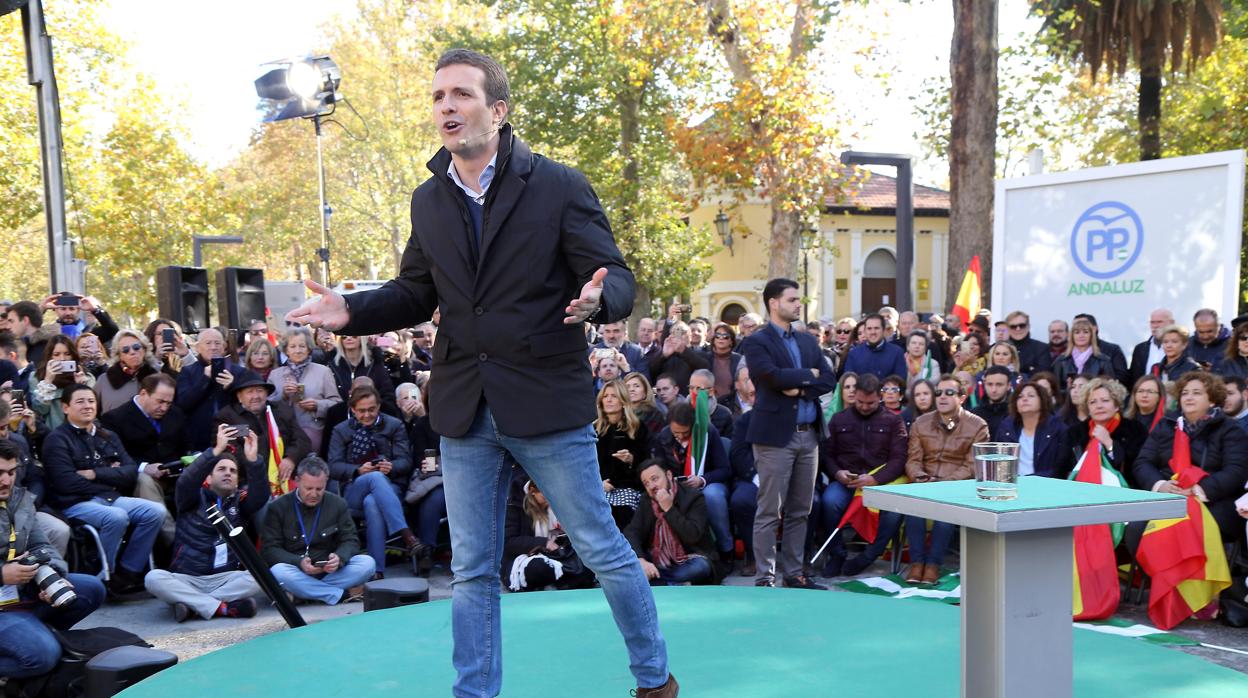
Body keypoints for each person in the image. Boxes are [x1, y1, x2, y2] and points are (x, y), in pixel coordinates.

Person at [283, 49, 675, 697]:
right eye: (438, 96)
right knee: (470, 570)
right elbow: (415, 292)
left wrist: (596, 300)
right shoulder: (429, 199)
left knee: (603, 550)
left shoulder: (559, 186)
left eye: (461, 94)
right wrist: (351, 310)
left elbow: (619, 279)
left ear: (498, 110)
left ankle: (654, 679)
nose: (446, 106)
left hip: (546, 402)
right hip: (465, 409)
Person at [739, 278, 835, 590]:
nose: (798, 304)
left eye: (798, 299)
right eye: (792, 299)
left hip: (809, 436)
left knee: (800, 511)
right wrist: (809, 376)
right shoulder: (757, 341)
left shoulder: (807, 341)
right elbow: (770, 377)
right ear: (773, 303)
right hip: (774, 438)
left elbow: (829, 379)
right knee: (770, 511)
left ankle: (794, 574)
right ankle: (765, 578)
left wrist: (798, 386)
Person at [41, 384, 164, 594]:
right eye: (80, 401)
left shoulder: (108, 436)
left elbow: (130, 472)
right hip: (75, 503)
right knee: (116, 517)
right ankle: (101, 573)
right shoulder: (56, 439)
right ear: (65, 407)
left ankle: (128, 572)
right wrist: (111, 477)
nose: (87, 406)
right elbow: (65, 482)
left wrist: (96, 473)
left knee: (155, 511)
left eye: (91, 401)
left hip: (110, 498)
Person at [0, 440, 106, 679]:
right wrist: (2, 574)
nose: (6, 480)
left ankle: (28, 635)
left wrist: (50, 576)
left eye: (11, 472)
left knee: (91, 589)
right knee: (43, 656)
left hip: (18, 595)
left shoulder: (19, 498)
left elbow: (42, 546)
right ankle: (29, 643)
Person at [144, 424, 267, 621]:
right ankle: (223, 607)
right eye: (221, 469)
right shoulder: (190, 498)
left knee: (260, 576)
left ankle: (194, 606)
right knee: (153, 578)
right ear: (208, 477)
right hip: (187, 578)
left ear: (237, 481)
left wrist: (253, 460)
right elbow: (186, 481)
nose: (228, 473)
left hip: (226, 578)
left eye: (233, 471)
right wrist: (215, 451)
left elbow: (260, 496)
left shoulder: (240, 501)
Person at [1134, 372, 1248, 543]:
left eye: (1197, 393)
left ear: (1212, 400)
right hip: (1169, 498)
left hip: (1213, 501)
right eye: (1185, 393)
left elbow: (1236, 470)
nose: (1189, 397)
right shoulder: (1166, 425)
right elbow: (1142, 463)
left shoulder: (1229, 429)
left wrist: (1198, 489)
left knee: (1182, 527)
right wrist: (1161, 485)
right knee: (1135, 528)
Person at [327, 384, 426, 574]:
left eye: (371, 409)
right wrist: (357, 470)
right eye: (361, 411)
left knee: (372, 502)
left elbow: (406, 461)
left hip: (390, 486)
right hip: (353, 488)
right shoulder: (341, 430)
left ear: (379, 406)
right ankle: (407, 535)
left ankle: (376, 570)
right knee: (374, 477)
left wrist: (392, 466)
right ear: (353, 409)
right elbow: (333, 466)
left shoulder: (394, 425)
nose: (367, 415)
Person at [818, 374, 907, 577]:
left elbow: (899, 459)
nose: (865, 407)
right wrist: (837, 473)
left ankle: (869, 556)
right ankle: (837, 554)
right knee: (829, 502)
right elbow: (827, 454)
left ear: (880, 397)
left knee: (893, 511)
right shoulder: (839, 419)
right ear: (854, 395)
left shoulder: (894, 421)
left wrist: (876, 479)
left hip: (880, 482)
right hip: (846, 482)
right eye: (860, 402)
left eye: (870, 403)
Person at [904, 375, 988, 584]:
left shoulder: (977, 425)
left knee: (945, 512)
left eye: (949, 393)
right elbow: (913, 460)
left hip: (955, 487)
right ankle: (917, 563)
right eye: (938, 392)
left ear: (962, 397)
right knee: (912, 507)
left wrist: (944, 484)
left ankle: (933, 564)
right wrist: (921, 478)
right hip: (924, 484)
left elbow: (972, 466)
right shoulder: (921, 423)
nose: (942, 397)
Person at [262, 456, 374, 604]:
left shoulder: (338, 504)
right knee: (278, 572)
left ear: (326, 482)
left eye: (319, 489)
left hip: (329, 572)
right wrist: (298, 562)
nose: (314, 494)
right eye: (308, 489)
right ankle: (341, 595)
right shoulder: (278, 507)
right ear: (297, 481)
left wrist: (339, 558)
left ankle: (303, 594)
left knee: (367, 563)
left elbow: (351, 540)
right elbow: (270, 550)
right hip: (296, 571)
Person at [650, 400, 732, 569]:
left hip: (708, 483)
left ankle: (726, 549)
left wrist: (702, 479)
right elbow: (658, 467)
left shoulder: (707, 433)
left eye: (685, 432)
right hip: (676, 486)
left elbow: (724, 469)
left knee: (713, 496)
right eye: (676, 433)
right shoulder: (664, 437)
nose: (680, 436)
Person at [213, 370, 311, 496]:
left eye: (259, 391)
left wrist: (290, 459)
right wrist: (259, 470)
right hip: (248, 480)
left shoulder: (281, 410)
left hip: (286, 477)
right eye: (250, 392)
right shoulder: (226, 417)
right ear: (239, 396)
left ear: (266, 394)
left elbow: (302, 439)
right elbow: (231, 452)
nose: (256, 396)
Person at [624, 459, 718, 586]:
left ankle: (659, 581)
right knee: (627, 565)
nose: (652, 486)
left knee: (701, 567)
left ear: (668, 475)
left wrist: (669, 509)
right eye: (646, 483)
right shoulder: (646, 499)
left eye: (655, 479)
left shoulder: (693, 497)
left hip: (689, 557)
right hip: (657, 560)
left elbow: (693, 535)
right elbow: (632, 532)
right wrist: (641, 560)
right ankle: (672, 582)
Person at [502, 477, 595, 592]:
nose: (550, 498)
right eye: (545, 495)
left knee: (586, 560)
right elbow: (508, 542)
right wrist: (544, 543)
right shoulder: (514, 508)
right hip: (522, 558)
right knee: (540, 567)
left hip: (556, 554)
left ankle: (558, 582)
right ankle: (562, 581)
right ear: (532, 491)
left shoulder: (557, 506)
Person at [268, 327, 342, 454]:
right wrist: (283, 395)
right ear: (286, 350)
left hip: (314, 433)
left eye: (302, 346)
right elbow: (267, 407)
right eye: (293, 346)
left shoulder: (323, 372)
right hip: (284, 435)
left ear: (308, 348)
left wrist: (317, 405)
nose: (298, 350)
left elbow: (337, 403)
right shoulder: (275, 375)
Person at [1067, 378, 1147, 488]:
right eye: (1092, 402)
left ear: (1116, 405)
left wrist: (1109, 443)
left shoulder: (1135, 429)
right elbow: (1065, 467)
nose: (1099, 406)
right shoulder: (1075, 432)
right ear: (1088, 409)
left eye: (1105, 400)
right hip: (1080, 489)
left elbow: (1134, 467)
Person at [594, 380, 648, 530]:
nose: (609, 400)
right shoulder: (593, 430)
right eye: (605, 396)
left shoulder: (637, 427)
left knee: (624, 515)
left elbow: (646, 461)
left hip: (628, 487)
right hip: (599, 487)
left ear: (623, 401)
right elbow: (585, 465)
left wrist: (631, 459)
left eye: (614, 396)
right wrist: (599, 484)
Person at [176, 328, 239, 451]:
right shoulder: (188, 372)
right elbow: (183, 404)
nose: (213, 347)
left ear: (224, 346)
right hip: (197, 438)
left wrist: (231, 387)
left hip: (231, 436)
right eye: (208, 343)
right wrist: (204, 379)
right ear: (198, 348)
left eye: (217, 343)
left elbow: (245, 405)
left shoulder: (237, 371)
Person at [996, 382, 1071, 478]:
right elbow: (999, 462)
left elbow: (1062, 468)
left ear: (1042, 400)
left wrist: (1032, 479)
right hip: (1013, 483)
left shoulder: (1057, 428)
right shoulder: (1006, 428)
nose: (1024, 399)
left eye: (1031, 396)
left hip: (1046, 483)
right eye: (1020, 397)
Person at [28, 335, 94, 430]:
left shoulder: (86, 376)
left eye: (67, 354)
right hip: (53, 432)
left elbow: (90, 409)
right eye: (56, 354)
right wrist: (47, 381)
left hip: (82, 430)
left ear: (73, 355)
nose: (62, 359)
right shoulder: (36, 377)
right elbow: (40, 410)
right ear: (49, 356)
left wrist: (80, 386)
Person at [95, 330, 170, 414]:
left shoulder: (157, 378)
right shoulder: (104, 380)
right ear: (119, 356)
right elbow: (92, 412)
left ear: (144, 349)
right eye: (125, 350)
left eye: (136, 347)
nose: (132, 352)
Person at [1052, 317, 1114, 388]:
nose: (1081, 336)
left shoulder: (1103, 360)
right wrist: (1069, 389)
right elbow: (1055, 390)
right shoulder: (1061, 360)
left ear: (1091, 335)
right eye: (1077, 332)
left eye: (1085, 332)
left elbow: (1110, 388)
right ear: (1072, 336)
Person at [843, 313, 906, 380]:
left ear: (883, 330)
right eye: (869, 329)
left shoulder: (896, 352)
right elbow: (849, 381)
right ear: (865, 331)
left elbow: (900, 381)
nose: (873, 332)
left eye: (876, 328)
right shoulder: (854, 354)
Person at [1129, 308, 1175, 386]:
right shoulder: (1140, 349)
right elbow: (1133, 378)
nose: (1155, 326)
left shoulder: (1181, 348)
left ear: (1171, 323)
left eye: (1159, 322)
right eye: (1152, 322)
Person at [687, 369, 734, 438]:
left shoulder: (725, 414)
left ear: (711, 392)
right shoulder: (678, 412)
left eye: (699, 389)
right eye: (691, 388)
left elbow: (726, 442)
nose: (694, 392)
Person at [702, 323, 743, 400]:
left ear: (731, 341)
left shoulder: (739, 359)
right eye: (717, 336)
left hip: (732, 402)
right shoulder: (705, 358)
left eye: (725, 336)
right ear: (713, 340)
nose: (721, 338)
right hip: (708, 401)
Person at [971, 366, 1013, 441]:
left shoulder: (1016, 413)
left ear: (1008, 386)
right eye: (990, 384)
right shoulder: (974, 414)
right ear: (984, 384)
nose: (994, 390)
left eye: (999, 385)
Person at [1004, 311, 1052, 375]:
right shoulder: (999, 348)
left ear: (1028, 326)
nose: (1018, 329)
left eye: (1022, 325)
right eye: (1013, 326)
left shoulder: (1041, 348)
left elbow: (1043, 374)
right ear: (1008, 329)